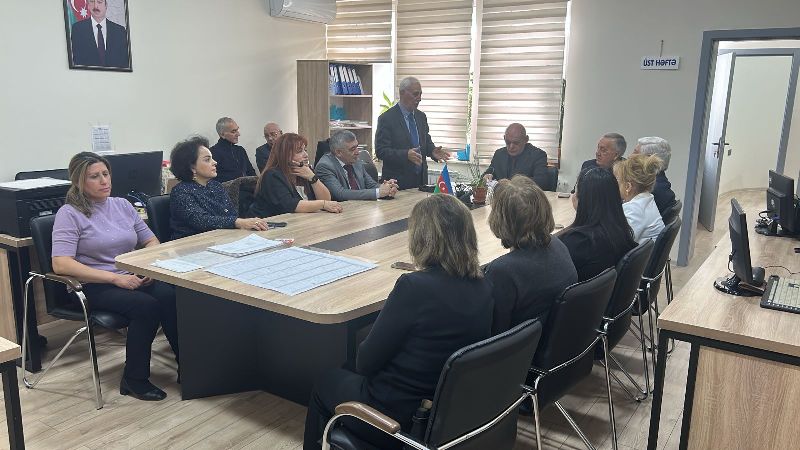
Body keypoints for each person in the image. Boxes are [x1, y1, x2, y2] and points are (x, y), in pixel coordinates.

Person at [303, 194, 493, 450]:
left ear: (421, 238)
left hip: (397, 420)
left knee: (326, 381)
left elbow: (365, 363)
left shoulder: (414, 287)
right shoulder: (483, 284)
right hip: (447, 413)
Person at [51, 152, 177, 401]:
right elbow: (61, 263)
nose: (103, 181)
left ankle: (189, 365)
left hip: (129, 276)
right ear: (79, 182)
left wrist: (143, 268)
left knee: (170, 295)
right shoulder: (70, 213)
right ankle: (134, 379)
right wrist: (115, 279)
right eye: (94, 177)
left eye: (106, 174)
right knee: (146, 306)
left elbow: (151, 241)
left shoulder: (122, 205)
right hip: (93, 284)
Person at [484, 175, 577, 333]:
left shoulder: (503, 271)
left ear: (499, 219)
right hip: (559, 339)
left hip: (525, 346)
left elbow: (495, 333)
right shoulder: (558, 245)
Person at [169, 136, 268, 240]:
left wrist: (244, 223)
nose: (215, 162)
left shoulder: (216, 186)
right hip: (191, 244)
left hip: (220, 239)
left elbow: (231, 215)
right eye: (207, 160)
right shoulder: (181, 192)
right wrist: (238, 222)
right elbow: (200, 220)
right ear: (192, 167)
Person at [559, 168, 638, 281]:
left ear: (583, 199)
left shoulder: (578, 241)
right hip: (608, 291)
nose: (573, 195)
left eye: (575, 191)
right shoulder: (622, 230)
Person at [376, 76, 451, 190]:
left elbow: (426, 142)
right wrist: (405, 154)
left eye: (420, 94)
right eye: (415, 94)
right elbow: (381, 151)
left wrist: (432, 151)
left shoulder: (421, 117)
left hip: (420, 182)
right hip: (397, 184)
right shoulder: (387, 118)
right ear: (402, 93)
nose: (419, 98)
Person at [249, 133, 343, 217]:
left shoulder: (305, 171)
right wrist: (322, 204)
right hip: (269, 225)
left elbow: (326, 199)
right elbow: (290, 205)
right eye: (299, 151)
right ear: (284, 154)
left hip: (299, 222)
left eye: (305, 150)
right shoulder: (272, 175)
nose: (306, 155)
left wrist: (313, 178)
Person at [316, 131, 398, 201]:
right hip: (341, 211)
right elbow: (340, 194)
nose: (357, 152)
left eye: (357, 147)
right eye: (352, 149)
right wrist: (378, 192)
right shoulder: (325, 166)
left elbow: (371, 185)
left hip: (361, 208)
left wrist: (387, 187)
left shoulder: (355, 160)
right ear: (338, 152)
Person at [613, 154, 666, 244]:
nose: (615, 184)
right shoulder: (646, 199)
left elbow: (616, 243)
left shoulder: (634, 210)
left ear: (628, 186)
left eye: (617, 181)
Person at [483, 123, 549, 188]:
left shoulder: (538, 155)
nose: (511, 147)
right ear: (504, 138)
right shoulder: (499, 154)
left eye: (516, 143)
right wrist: (486, 176)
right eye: (508, 142)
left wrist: (513, 184)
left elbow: (541, 181)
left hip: (524, 194)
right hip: (500, 194)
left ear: (526, 139)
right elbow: (489, 173)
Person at [69, 0, 130, 68]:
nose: (95, 6)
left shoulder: (120, 31)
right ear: (88, 5)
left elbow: (124, 62)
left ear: (106, 6)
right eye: (92, 2)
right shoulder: (77, 29)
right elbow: (76, 60)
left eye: (99, 2)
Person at [633, 137, 677, 215]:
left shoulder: (650, 189)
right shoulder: (661, 183)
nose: (630, 156)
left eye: (635, 152)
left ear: (649, 158)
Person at [209, 117, 256, 182]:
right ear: (222, 134)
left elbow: (251, 173)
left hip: (248, 187)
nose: (238, 134)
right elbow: (212, 180)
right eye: (233, 131)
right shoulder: (212, 153)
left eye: (237, 130)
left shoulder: (240, 150)